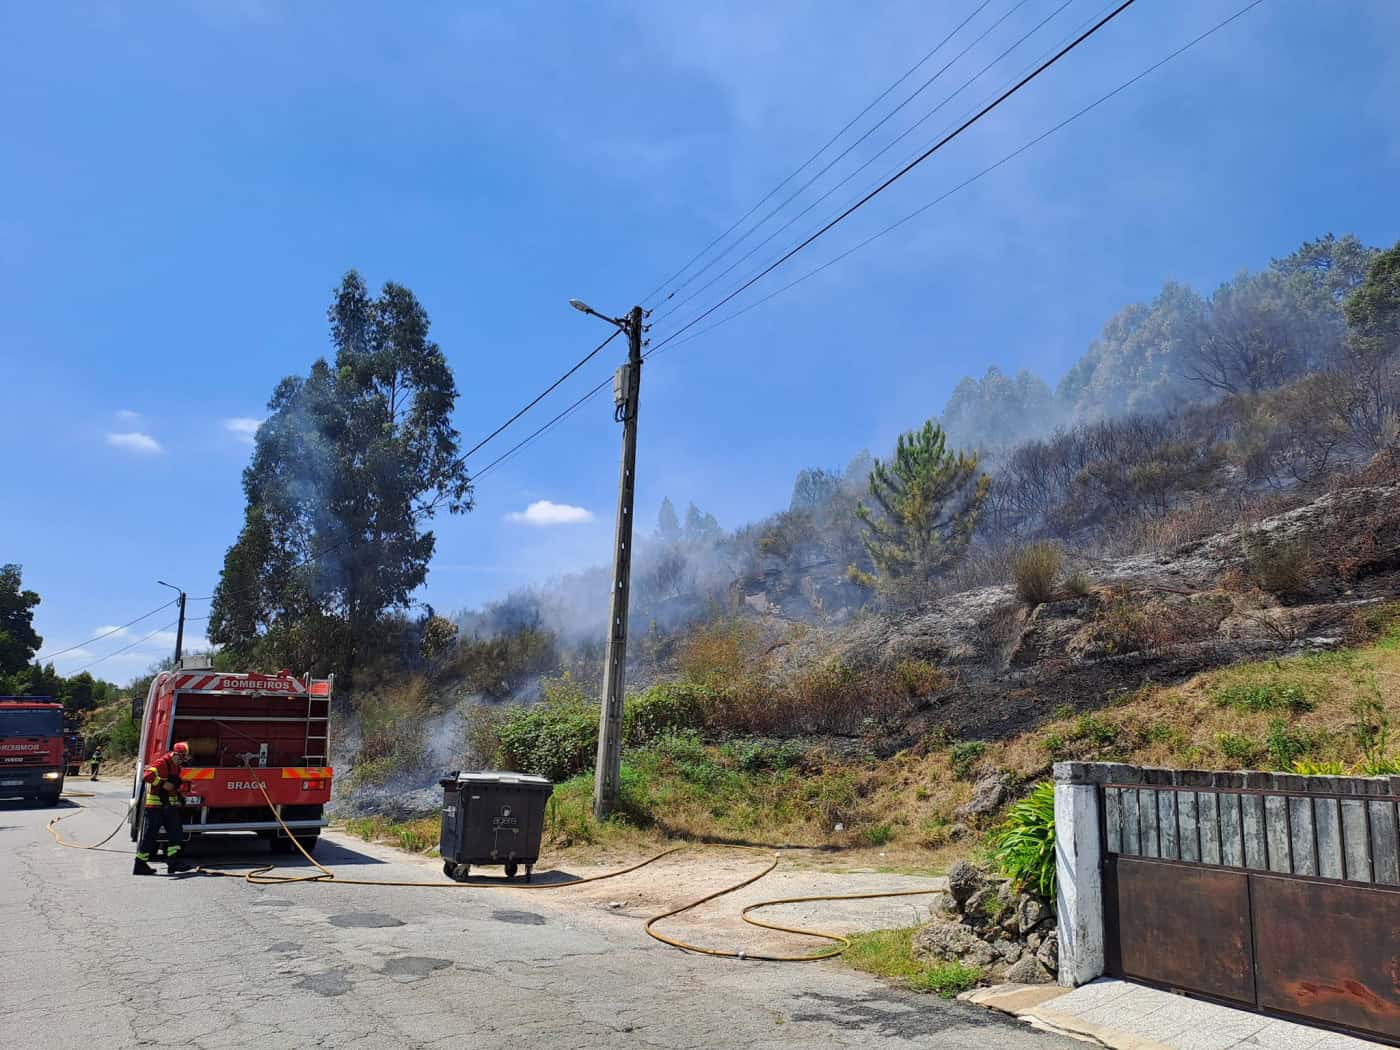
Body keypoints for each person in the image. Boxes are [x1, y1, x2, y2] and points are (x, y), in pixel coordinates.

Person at [134, 741, 192, 876]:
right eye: (181, 758)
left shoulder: (176, 767)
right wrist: (162, 783)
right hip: (155, 807)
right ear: (175, 754)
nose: (182, 761)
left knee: (176, 832)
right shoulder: (162, 763)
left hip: (168, 806)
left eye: (184, 758)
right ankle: (140, 864)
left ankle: (173, 862)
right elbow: (147, 776)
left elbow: (172, 787)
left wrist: (179, 798)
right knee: (151, 835)